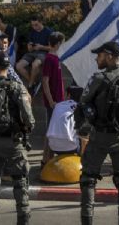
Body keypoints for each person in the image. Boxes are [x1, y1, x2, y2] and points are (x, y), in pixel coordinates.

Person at [77, 41, 119, 225]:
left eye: (100, 55)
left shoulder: (98, 78)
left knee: (88, 179)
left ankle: (87, 220)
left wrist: (86, 125)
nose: (97, 58)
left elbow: (83, 102)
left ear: (109, 56)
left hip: (100, 136)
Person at [0, 51, 35, 225]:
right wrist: (28, 128)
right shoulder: (17, 86)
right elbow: (27, 116)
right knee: (20, 181)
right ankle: (23, 216)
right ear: (8, 66)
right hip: (13, 140)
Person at [41, 32, 66, 166]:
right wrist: (51, 101)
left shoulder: (57, 58)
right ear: (57, 44)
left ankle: (48, 158)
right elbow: (45, 81)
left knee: (54, 130)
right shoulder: (49, 59)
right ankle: (45, 159)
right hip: (53, 102)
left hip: (59, 101)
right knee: (50, 131)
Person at [18, 15, 53, 88]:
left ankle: (30, 85)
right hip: (32, 53)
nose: (34, 27)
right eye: (33, 25)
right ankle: (33, 82)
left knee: (35, 64)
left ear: (41, 22)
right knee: (19, 66)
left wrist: (41, 47)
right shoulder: (32, 32)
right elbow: (29, 49)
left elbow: (52, 48)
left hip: (43, 53)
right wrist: (29, 47)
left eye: (36, 25)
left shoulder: (48, 32)